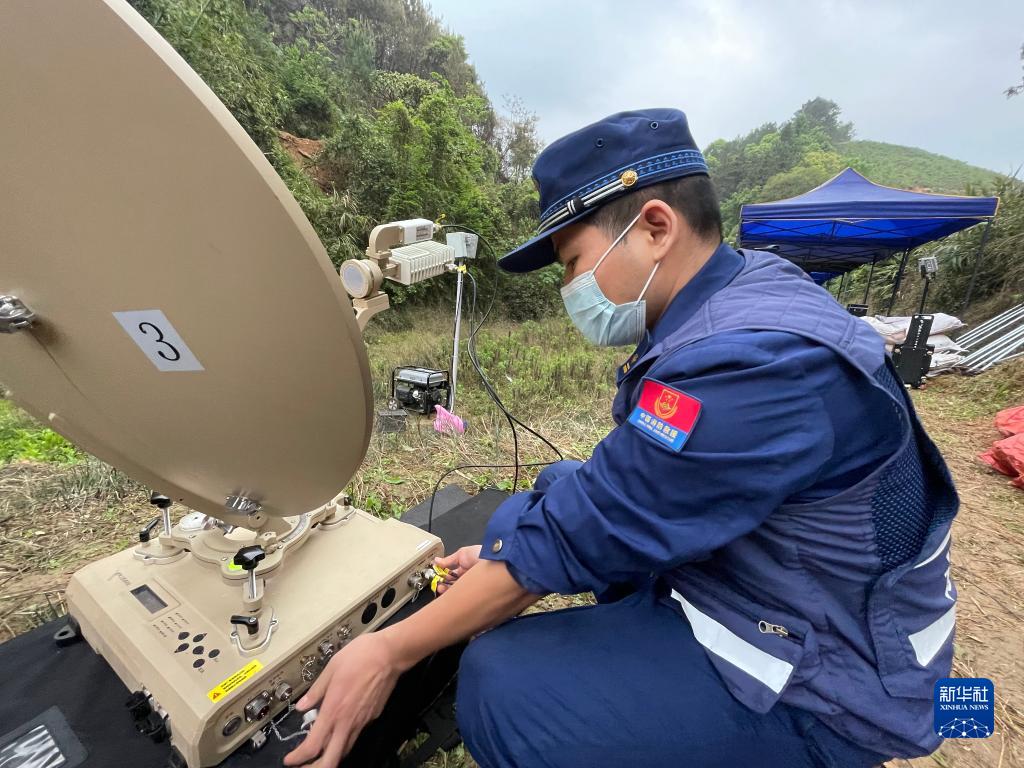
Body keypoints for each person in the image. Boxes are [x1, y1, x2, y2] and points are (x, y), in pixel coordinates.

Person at [284, 108, 959, 768]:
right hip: (777, 580)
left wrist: (388, 650)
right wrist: (504, 547)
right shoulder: (742, 290)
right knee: (556, 485)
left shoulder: (752, 363)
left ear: (655, 227)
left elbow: (586, 530)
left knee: (504, 681)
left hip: (831, 684)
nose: (572, 290)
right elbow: (611, 492)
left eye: (574, 262)